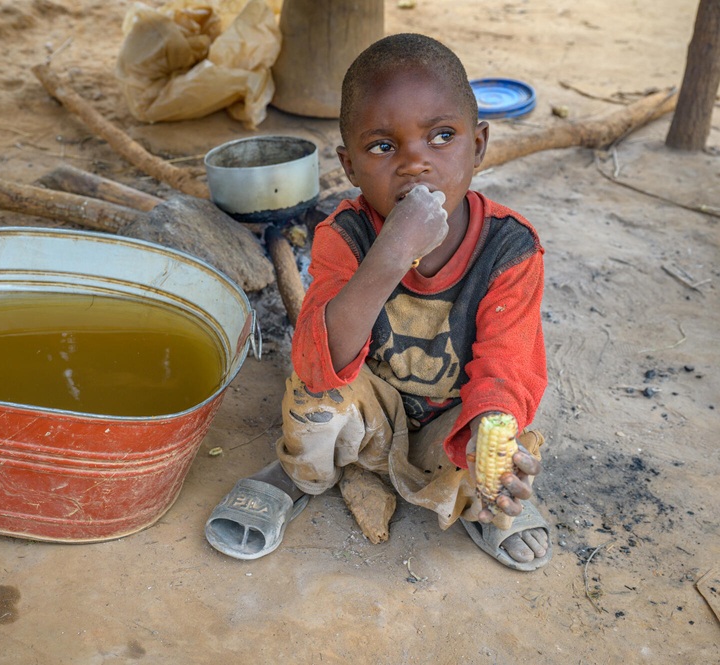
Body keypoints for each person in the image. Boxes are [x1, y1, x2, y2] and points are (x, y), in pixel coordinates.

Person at [205, 33, 552, 571]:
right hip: (370, 414)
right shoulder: (344, 235)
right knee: (309, 394)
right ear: (348, 166)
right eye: (383, 147)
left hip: (451, 424)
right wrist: (390, 255)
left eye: (441, 136)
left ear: (478, 145)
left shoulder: (511, 248)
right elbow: (320, 364)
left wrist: (493, 442)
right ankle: (298, 474)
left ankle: (480, 500)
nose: (415, 163)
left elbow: (508, 370)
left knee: (509, 428)